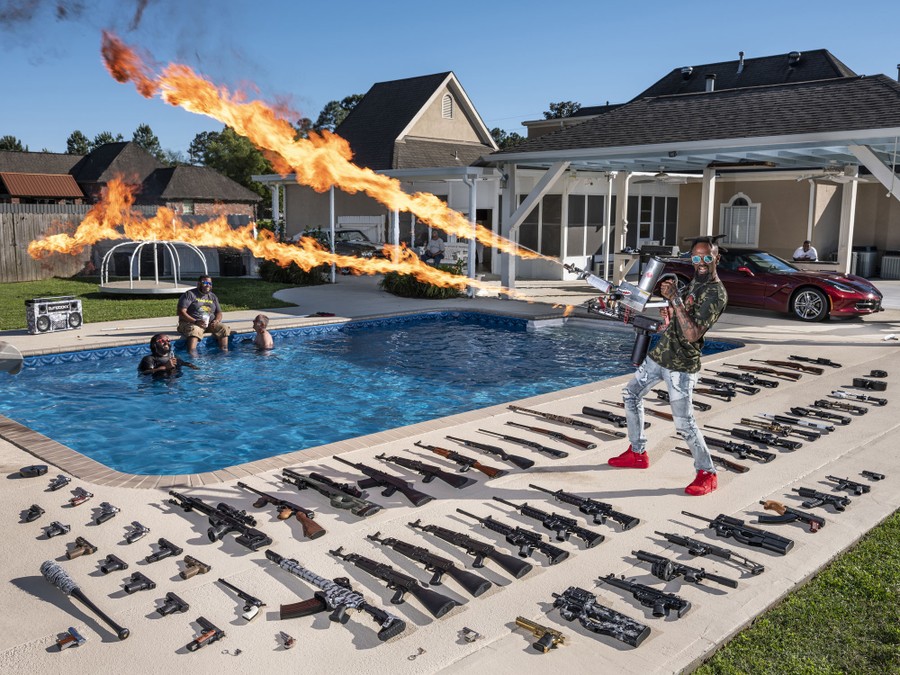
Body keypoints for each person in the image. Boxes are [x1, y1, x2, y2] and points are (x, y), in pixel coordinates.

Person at [607, 238, 729, 496]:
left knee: (684, 424)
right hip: (660, 356)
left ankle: (707, 473)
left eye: (707, 257)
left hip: (681, 366)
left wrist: (674, 300)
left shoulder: (716, 293)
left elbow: (693, 334)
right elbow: (679, 319)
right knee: (631, 394)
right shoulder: (696, 281)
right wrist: (668, 314)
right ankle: (637, 453)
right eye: (696, 258)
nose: (701, 263)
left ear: (716, 258)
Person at [176, 276, 232, 354]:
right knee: (195, 329)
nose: (208, 285)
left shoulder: (213, 296)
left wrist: (216, 320)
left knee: (224, 328)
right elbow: (181, 312)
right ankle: (192, 356)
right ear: (198, 284)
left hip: (209, 324)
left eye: (210, 283)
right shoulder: (190, 294)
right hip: (190, 323)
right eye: (205, 283)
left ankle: (224, 354)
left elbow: (219, 312)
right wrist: (195, 321)